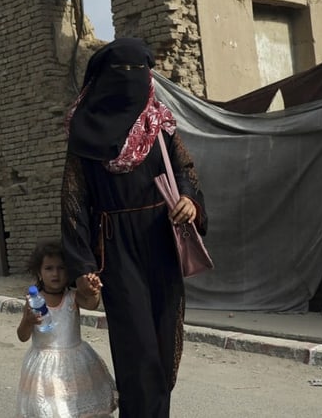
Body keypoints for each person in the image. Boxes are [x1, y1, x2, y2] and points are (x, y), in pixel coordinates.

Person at [60, 37, 208, 417]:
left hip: (162, 240)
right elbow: (74, 203)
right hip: (115, 247)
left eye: (139, 71)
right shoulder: (84, 135)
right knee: (137, 351)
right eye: (121, 72)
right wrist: (82, 267)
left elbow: (185, 172)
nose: (132, 80)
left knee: (162, 349)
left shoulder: (160, 124)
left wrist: (189, 201)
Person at [16, 240, 117, 418]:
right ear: (39, 272)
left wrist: (94, 291)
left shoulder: (73, 296)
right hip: (45, 369)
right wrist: (28, 321)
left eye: (61, 268)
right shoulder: (33, 300)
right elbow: (22, 336)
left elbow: (92, 304)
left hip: (75, 364)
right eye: (49, 268)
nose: (55, 273)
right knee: (54, 408)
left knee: (77, 406)